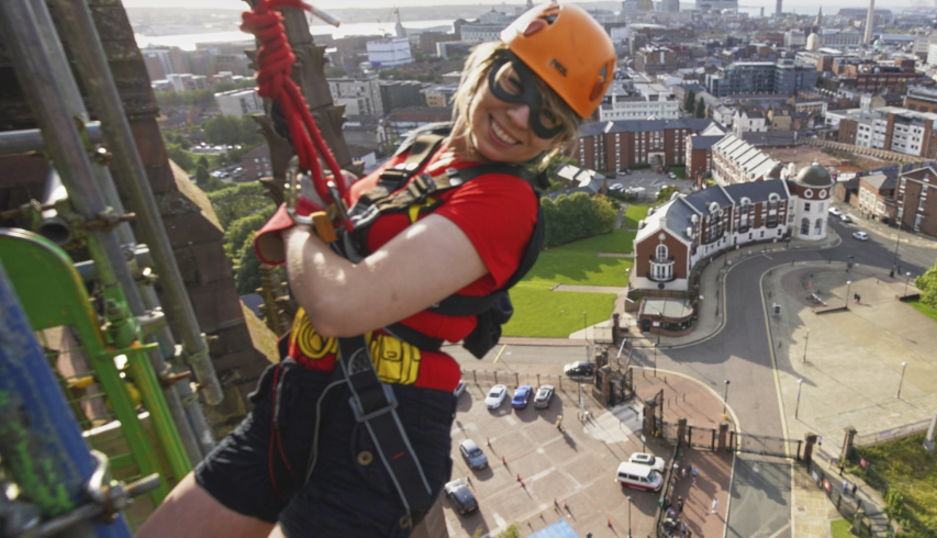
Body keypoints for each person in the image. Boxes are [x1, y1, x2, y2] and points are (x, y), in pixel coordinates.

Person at [137, 3, 614, 537]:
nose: (521, 116)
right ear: (488, 67)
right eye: (514, 84)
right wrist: (338, 198)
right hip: (298, 392)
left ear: (560, 139)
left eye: (549, 115)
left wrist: (299, 220)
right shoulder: (426, 149)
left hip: (378, 425)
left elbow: (341, 305)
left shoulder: (506, 200)